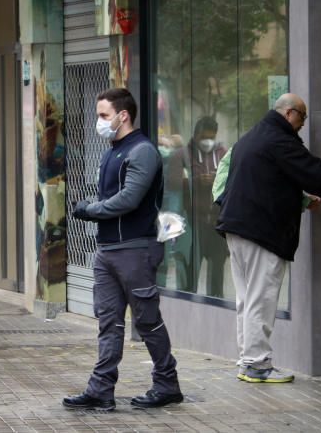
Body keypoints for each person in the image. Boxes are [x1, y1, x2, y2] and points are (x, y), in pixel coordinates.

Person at [215, 93, 321, 384]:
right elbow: (319, 176)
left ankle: (248, 361)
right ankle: (257, 365)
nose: (303, 125)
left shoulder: (253, 137)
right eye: (303, 118)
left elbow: (267, 181)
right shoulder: (279, 140)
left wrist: (300, 200)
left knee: (247, 299)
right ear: (290, 113)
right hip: (260, 232)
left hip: (238, 228)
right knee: (260, 300)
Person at [64, 87, 183, 411]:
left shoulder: (141, 151)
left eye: (103, 115)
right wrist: (94, 205)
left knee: (146, 321)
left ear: (123, 115)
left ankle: (167, 384)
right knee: (108, 321)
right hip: (108, 249)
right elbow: (113, 197)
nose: (99, 122)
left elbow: (129, 199)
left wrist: (90, 209)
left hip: (135, 248)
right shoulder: (112, 151)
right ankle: (101, 390)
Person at [165, 116, 228, 296]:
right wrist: (196, 181)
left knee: (217, 271)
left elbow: (231, 178)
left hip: (216, 222)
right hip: (192, 223)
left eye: (212, 137)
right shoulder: (182, 154)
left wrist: (216, 179)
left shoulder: (221, 153)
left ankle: (216, 303)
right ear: (196, 135)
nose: (208, 141)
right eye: (204, 137)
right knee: (190, 270)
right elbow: (173, 182)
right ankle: (187, 301)